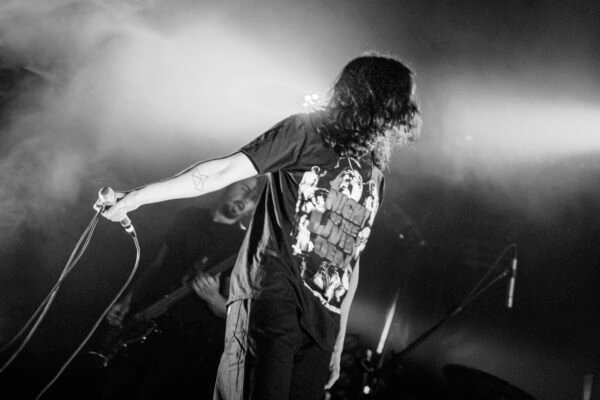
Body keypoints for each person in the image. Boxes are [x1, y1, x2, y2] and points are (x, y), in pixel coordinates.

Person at [102, 52, 421, 400]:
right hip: (273, 299)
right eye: (399, 101)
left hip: (321, 327)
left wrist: (338, 339)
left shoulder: (374, 173)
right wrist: (136, 197)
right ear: (375, 97)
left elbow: (350, 260)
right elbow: (222, 171)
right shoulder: (307, 131)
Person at [98, 177, 261, 400]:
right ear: (227, 185)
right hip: (145, 320)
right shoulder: (189, 215)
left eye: (253, 198)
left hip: (182, 342)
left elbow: (233, 313)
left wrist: (213, 297)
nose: (246, 199)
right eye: (244, 188)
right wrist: (128, 300)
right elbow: (158, 264)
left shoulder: (241, 245)